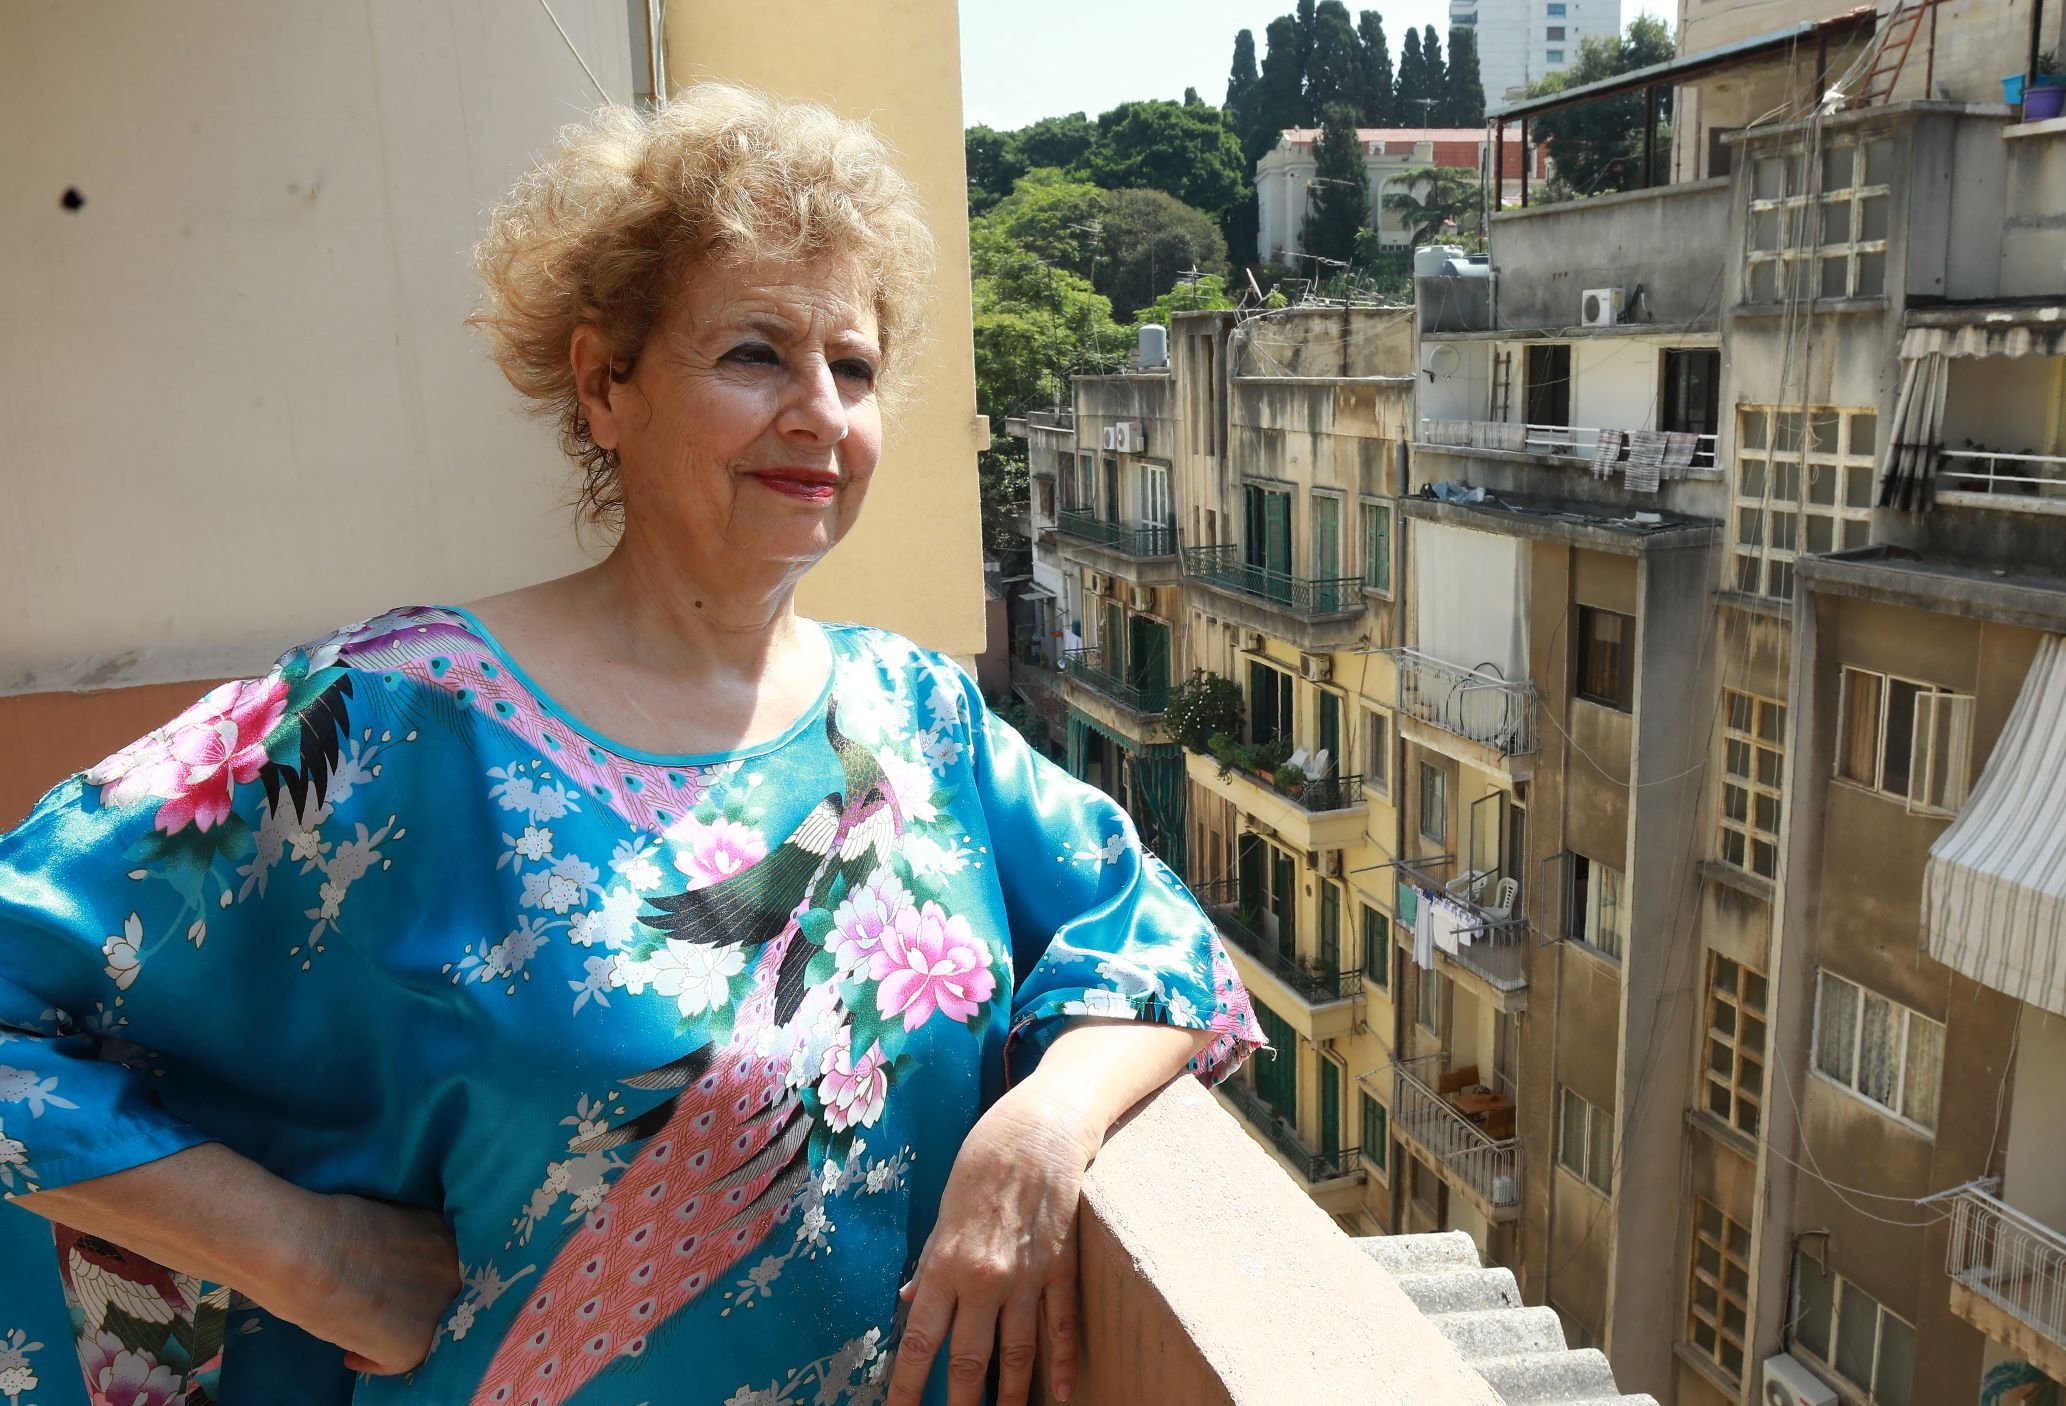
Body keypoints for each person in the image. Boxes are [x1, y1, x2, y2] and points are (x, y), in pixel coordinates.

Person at [0, 84, 1261, 1406]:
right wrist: (312, 1254)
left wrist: (1047, 1123)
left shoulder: (918, 720)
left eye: (856, 365)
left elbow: (1153, 934)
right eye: (756, 355)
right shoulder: (396, 717)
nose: (822, 414)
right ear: (606, 385)